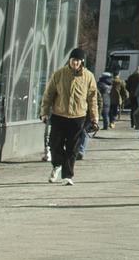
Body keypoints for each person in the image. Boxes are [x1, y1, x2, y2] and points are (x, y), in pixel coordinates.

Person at [39, 48, 99, 184]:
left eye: (78, 61)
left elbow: (92, 99)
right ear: (69, 60)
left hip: (78, 117)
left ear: (82, 62)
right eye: (73, 60)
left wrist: (95, 118)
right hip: (59, 115)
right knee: (55, 144)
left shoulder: (88, 77)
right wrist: (44, 112)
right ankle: (57, 165)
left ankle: (67, 176)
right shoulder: (59, 74)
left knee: (73, 148)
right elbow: (48, 95)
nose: (75, 63)